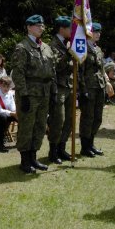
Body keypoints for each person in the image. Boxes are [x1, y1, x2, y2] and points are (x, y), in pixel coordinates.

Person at [12, 15, 55, 174]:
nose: (41, 28)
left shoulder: (46, 47)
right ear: (29, 27)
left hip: (44, 92)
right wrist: (23, 95)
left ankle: (34, 157)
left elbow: (52, 70)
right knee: (27, 126)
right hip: (29, 93)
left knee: (40, 125)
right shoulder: (22, 47)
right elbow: (18, 73)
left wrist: (53, 90)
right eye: (37, 26)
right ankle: (25, 160)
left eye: (42, 26)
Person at [78, 22, 108, 157]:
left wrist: (106, 84)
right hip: (88, 87)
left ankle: (91, 143)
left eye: (99, 31)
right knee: (87, 118)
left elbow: (102, 69)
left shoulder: (98, 49)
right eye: (95, 31)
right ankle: (85, 147)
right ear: (89, 33)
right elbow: (80, 72)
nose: (98, 34)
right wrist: (82, 90)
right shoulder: (82, 48)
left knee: (97, 117)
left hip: (99, 87)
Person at [47, 16, 73, 164]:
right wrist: (69, 53)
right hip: (58, 87)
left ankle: (62, 148)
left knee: (69, 120)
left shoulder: (67, 43)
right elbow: (56, 67)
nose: (72, 31)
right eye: (69, 28)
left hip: (69, 86)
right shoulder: (53, 45)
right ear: (61, 29)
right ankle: (53, 150)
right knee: (58, 120)